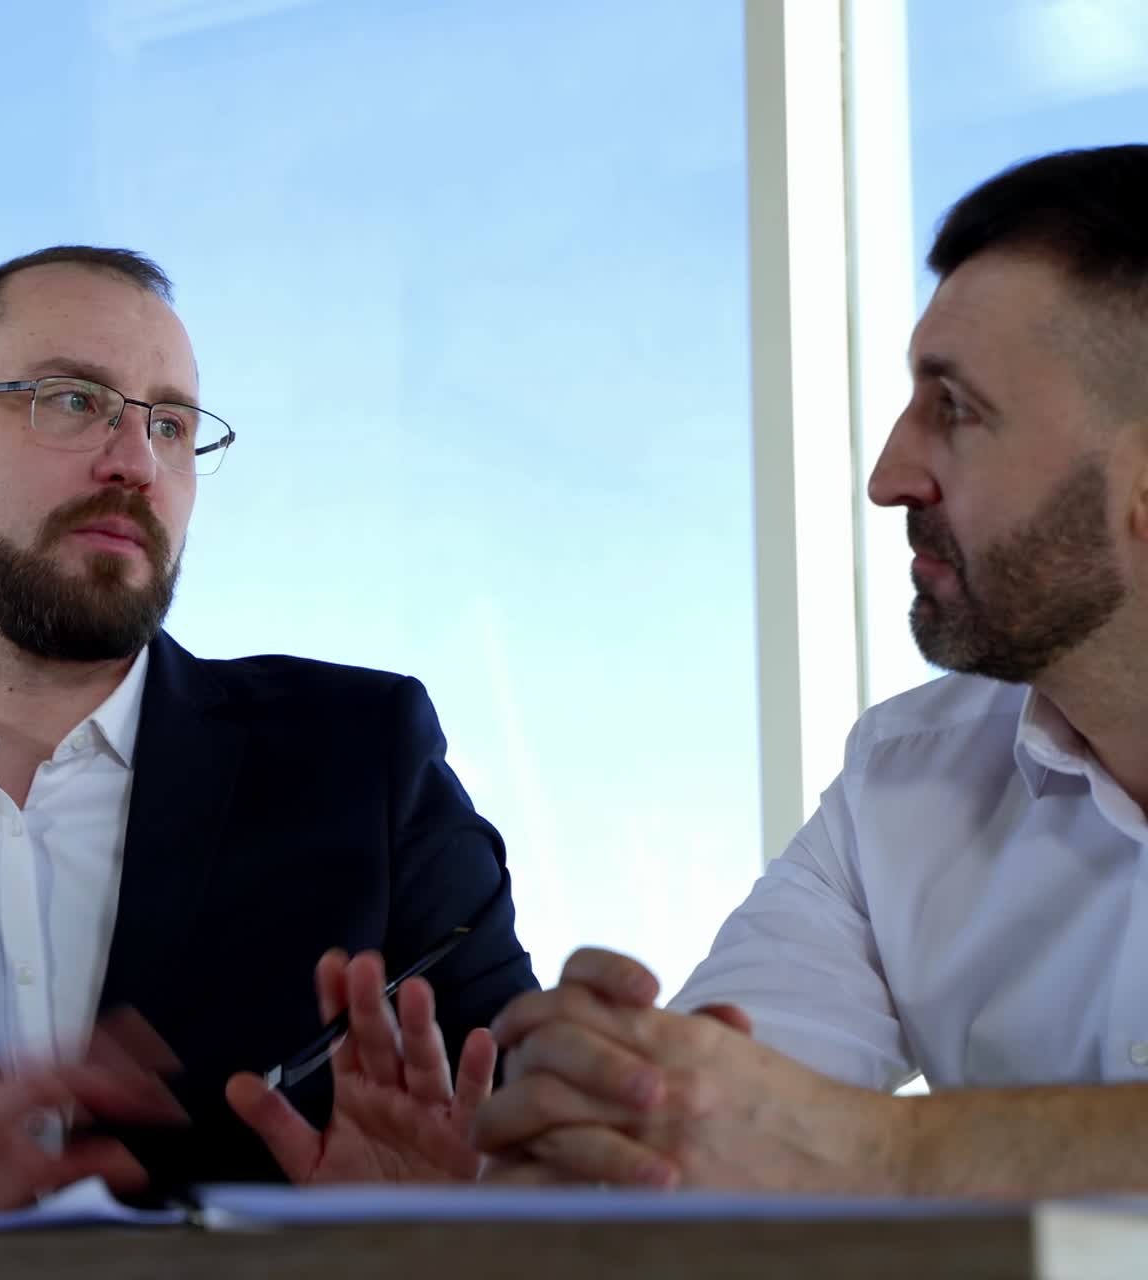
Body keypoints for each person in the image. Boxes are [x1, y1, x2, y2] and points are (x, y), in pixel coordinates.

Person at [473, 143, 1148, 1198]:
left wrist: (886, 1151)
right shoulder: (904, 780)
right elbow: (708, 1129)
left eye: (954, 408)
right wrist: (600, 1116)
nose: (886, 474)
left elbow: (819, 1142)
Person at [0, 245, 536, 1216]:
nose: (136, 461)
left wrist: (439, 1217)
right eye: (70, 398)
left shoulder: (364, 758)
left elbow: (527, 1120)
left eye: (171, 423)